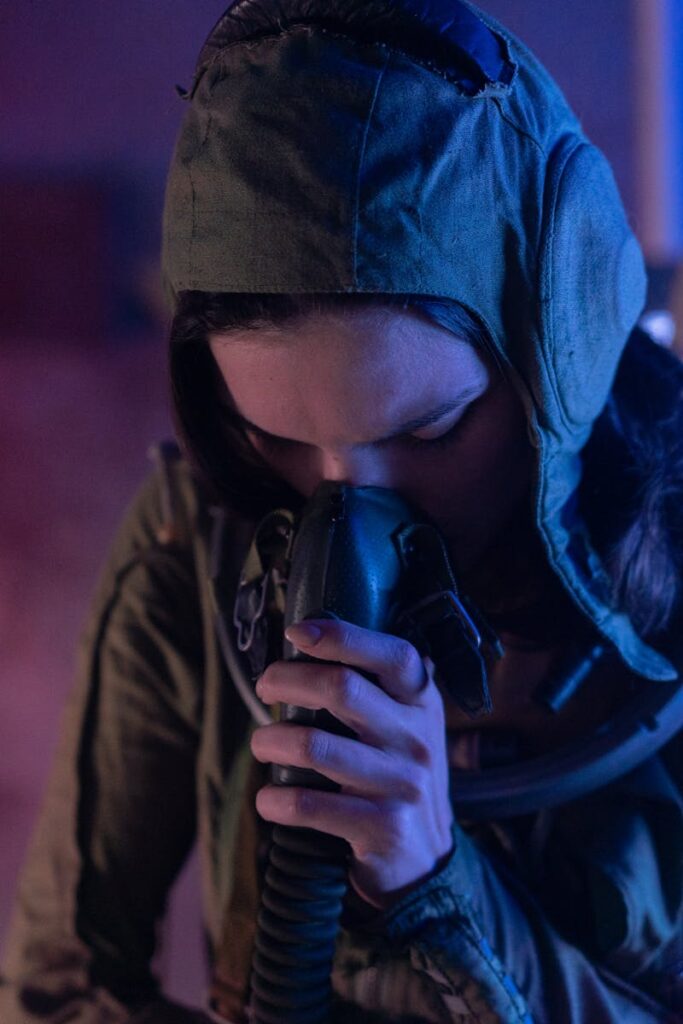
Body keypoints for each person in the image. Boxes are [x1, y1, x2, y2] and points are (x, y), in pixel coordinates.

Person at [2, 1, 682, 1022]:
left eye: (429, 431)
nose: (344, 505)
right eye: (277, 438)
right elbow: (58, 990)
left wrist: (433, 888)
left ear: (555, 362)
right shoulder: (192, 541)